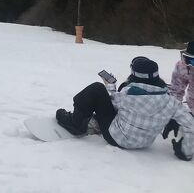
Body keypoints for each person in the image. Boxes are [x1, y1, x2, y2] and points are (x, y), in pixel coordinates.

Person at [55, 57, 194, 161]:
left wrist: (110, 85)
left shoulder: (126, 94)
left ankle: (75, 123)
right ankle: (95, 122)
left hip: (116, 138)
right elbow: (190, 125)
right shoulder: (170, 101)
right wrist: (186, 151)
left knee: (96, 89)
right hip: (145, 142)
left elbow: (112, 104)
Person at [169, 41, 194, 112]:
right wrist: (173, 109)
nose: (192, 65)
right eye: (191, 61)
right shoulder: (183, 66)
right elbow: (176, 90)